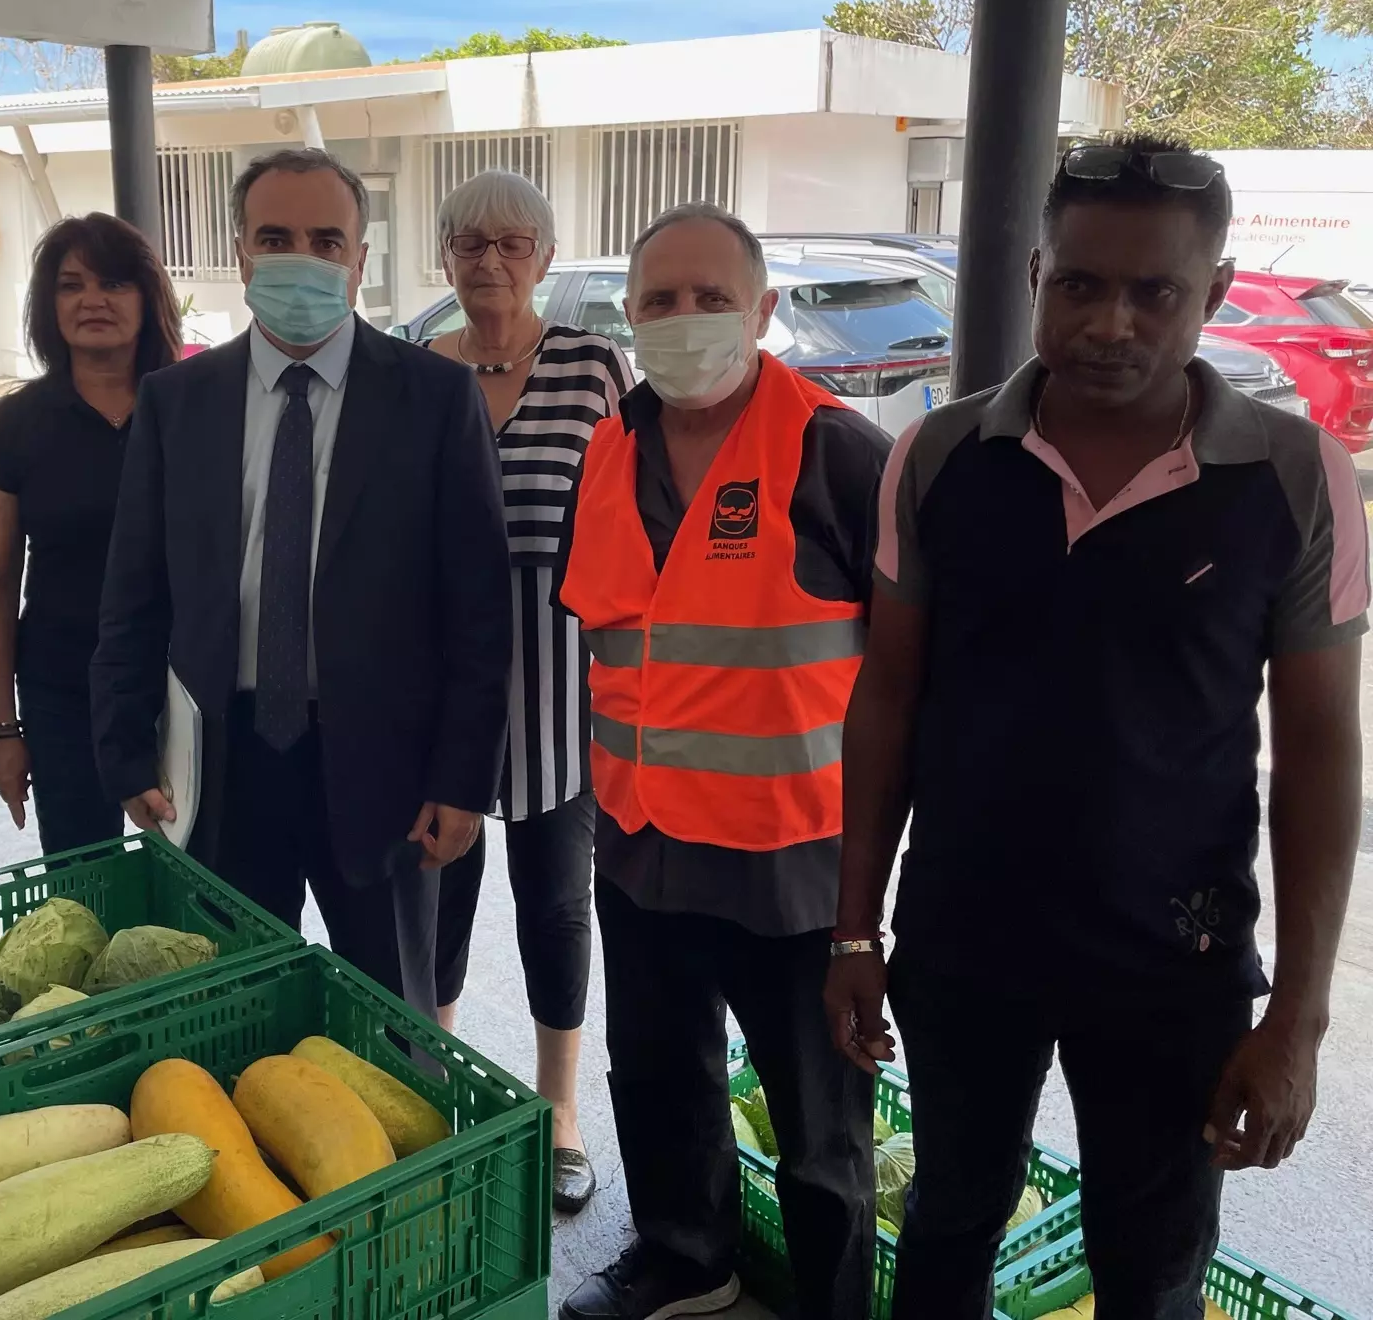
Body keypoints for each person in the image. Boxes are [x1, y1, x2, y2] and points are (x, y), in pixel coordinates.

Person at [825, 135, 1367, 1320]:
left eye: (1154, 292)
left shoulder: (1293, 474)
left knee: (1154, 1258)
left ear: (1212, 296)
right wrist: (855, 933)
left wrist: (1298, 1019)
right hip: (966, 942)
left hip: (1174, 962)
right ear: (1035, 277)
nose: (1111, 322)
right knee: (953, 1216)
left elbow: (1322, 752)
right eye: (1080, 284)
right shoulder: (940, 456)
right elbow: (890, 699)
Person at [558, 201, 885, 1320]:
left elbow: (912, 674)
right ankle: (686, 1257)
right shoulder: (609, 449)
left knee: (818, 1118)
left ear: (764, 312)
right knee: (657, 1071)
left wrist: (875, 894)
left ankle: (835, 1300)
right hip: (641, 841)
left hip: (791, 857)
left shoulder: (835, 451)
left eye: (711, 299)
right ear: (629, 315)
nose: (685, 319)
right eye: (661, 301)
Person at [92, 147, 512, 1013]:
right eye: (275, 237)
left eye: (327, 241)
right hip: (220, 761)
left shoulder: (435, 398)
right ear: (241, 254)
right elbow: (135, 590)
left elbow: (478, 608)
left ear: (361, 261)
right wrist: (125, 747)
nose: (302, 259)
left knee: (393, 1015)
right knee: (232, 1006)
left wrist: (463, 780)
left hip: (384, 767)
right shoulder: (178, 401)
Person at [424, 169, 630, 1215]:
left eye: (512, 242)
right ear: (445, 256)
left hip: (563, 691)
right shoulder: (418, 373)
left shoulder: (594, 366)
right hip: (438, 693)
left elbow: (639, 516)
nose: (490, 261)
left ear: (545, 258)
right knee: (438, 899)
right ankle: (440, 1093)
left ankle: (559, 1116)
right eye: (469, 242)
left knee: (555, 907)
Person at [0, 213, 182, 854]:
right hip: (64, 690)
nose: (93, 300)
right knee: (84, 893)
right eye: (70, 285)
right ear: (47, 304)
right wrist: (5, 732)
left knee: (203, 888)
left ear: (147, 298)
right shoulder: (17, 423)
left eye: (115, 283)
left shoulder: (193, 406)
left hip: (185, 690)